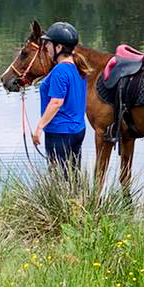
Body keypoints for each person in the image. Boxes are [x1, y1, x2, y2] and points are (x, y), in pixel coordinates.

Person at [33, 21, 87, 177]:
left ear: (59, 47)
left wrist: (39, 127)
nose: (46, 48)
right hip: (77, 129)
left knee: (59, 179)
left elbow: (56, 102)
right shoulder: (78, 67)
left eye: (49, 44)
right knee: (73, 176)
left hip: (60, 132)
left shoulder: (60, 70)